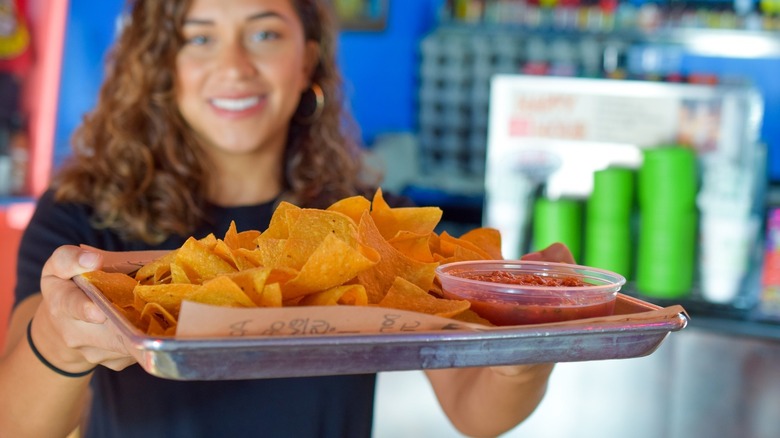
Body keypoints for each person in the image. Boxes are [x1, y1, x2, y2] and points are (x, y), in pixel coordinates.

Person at [0, 1, 575, 437]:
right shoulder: (82, 217)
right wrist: (62, 338)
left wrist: (521, 358)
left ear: (308, 60)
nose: (234, 66)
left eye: (265, 33)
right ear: (162, 66)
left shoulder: (372, 226)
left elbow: (474, 410)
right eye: (199, 38)